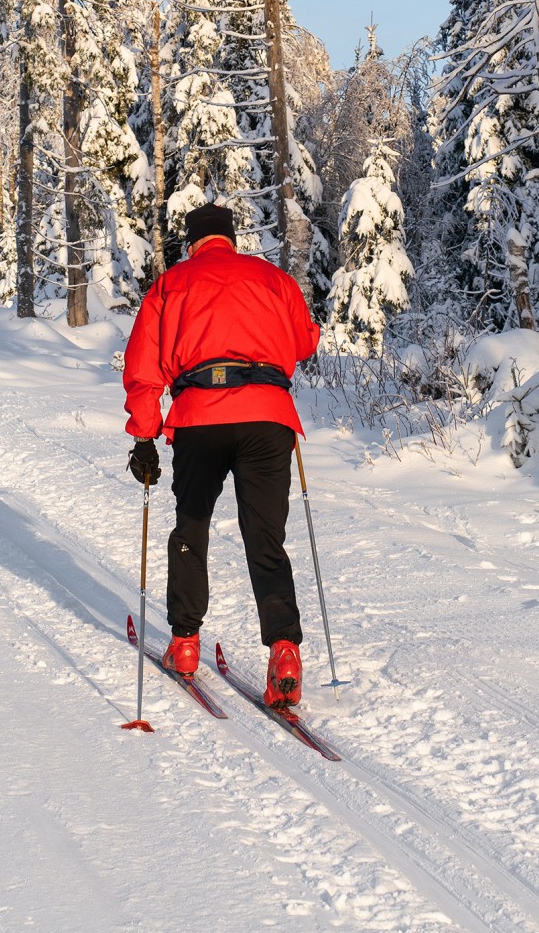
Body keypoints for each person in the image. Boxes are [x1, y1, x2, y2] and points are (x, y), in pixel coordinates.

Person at [120, 203, 322, 708]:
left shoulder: (171, 285)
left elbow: (143, 366)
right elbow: (305, 341)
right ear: (231, 239)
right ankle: (284, 652)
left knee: (192, 529)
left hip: (199, 418)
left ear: (192, 243)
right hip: (267, 417)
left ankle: (186, 643)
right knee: (266, 539)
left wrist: (145, 437)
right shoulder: (273, 279)